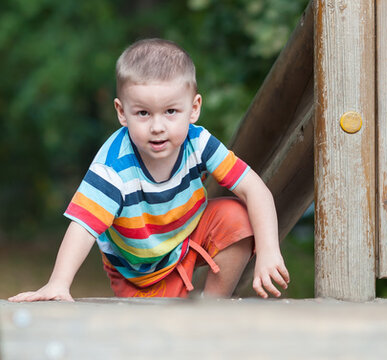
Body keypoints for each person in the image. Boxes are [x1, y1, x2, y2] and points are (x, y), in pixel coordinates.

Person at [8, 38, 289, 301]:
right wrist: (59, 282)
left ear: (194, 109)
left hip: (186, 237)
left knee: (236, 216)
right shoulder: (114, 167)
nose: (157, 127)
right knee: (157, 334)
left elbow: (255, 189)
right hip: (138, 271)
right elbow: (83, 225)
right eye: (143, 113)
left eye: (170, 112)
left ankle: (213, 308)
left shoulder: (198, 141)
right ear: (122, 112)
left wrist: (268, 250)